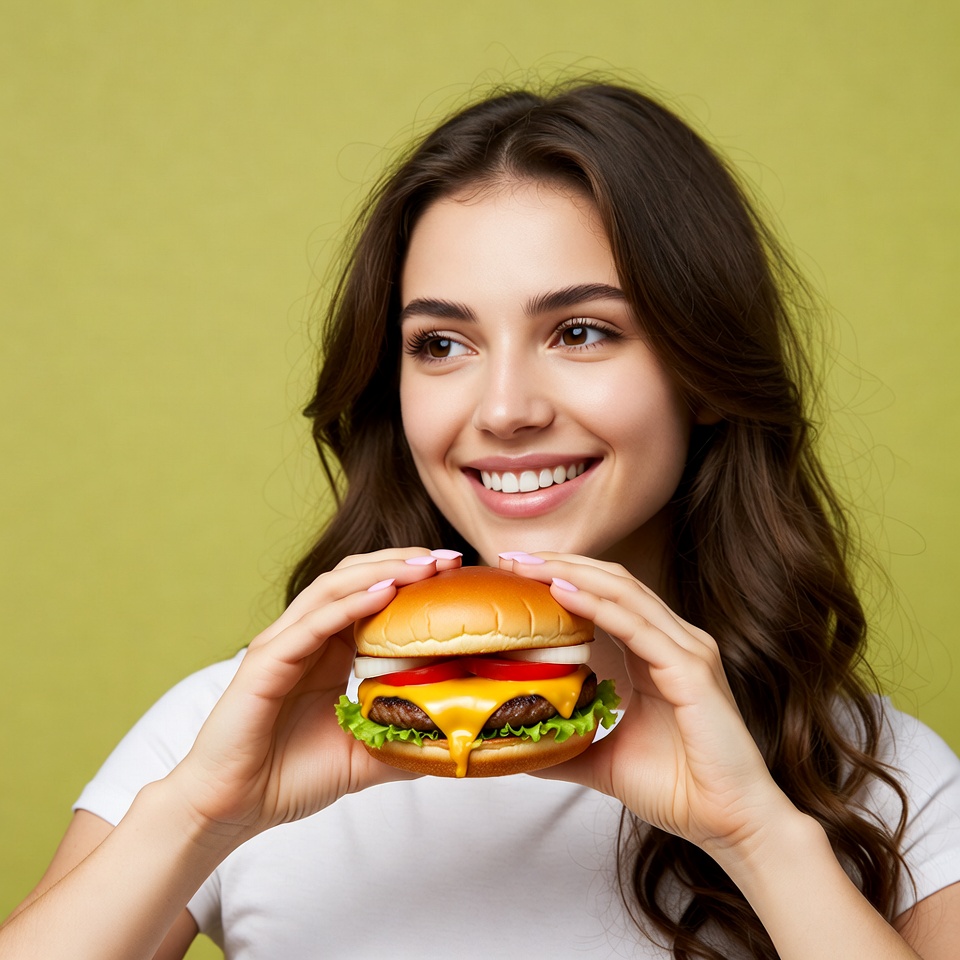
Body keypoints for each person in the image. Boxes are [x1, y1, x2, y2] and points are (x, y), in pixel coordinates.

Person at [3, 80, 959, 960]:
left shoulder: (879, 774)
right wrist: (200, 818)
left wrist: (757, 836)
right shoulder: (221, 737)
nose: (503, 409)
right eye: (443, 343)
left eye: (581, 331)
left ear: (701, 371)